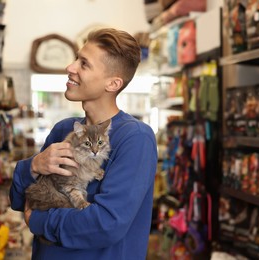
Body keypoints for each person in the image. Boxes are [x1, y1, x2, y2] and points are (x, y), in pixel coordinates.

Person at [9, 27, 158, 259]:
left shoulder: (135, 138)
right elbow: (21, 199)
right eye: (76, 59)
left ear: (113, 84)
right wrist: (32, 166)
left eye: (84, 64)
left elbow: (106, 224)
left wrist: (39, 221)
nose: (70, 67)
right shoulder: (63, 129)